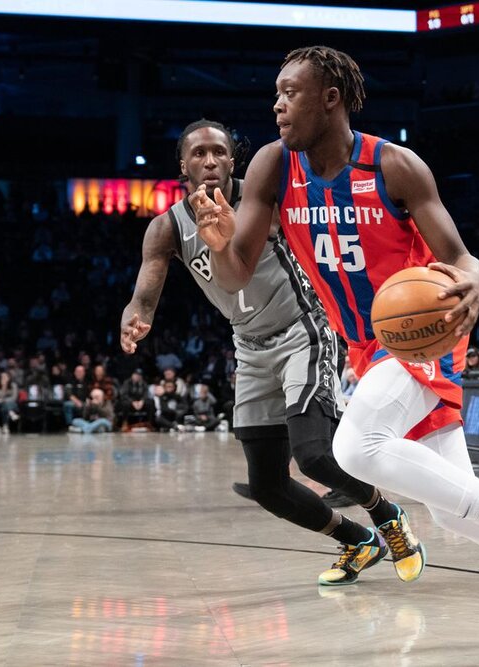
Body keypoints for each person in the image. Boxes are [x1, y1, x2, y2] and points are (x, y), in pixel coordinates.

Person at [198, 46, 479, 644]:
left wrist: (477, 277)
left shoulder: (395, 166)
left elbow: (461, 258)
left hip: (424, 333)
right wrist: (216, 245)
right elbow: (236, 276)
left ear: (330, 98)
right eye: (277, 93)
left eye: (290, 92)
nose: (277, 104)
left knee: (356, 446)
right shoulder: (271, 166)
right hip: (367, 350)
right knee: (449, 508)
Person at [120, 118, 411, 586]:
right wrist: (136, 313)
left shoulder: (263, 198)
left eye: (219, 151)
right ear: (183, 165)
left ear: (234, 160)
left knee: (313, 454)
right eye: (199, 153)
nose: (210, 160)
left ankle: (386, 513)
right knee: (267, 487)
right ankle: (358, 539)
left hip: (304, 329)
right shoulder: (166, 227)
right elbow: (147, 289)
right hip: (250, 347)